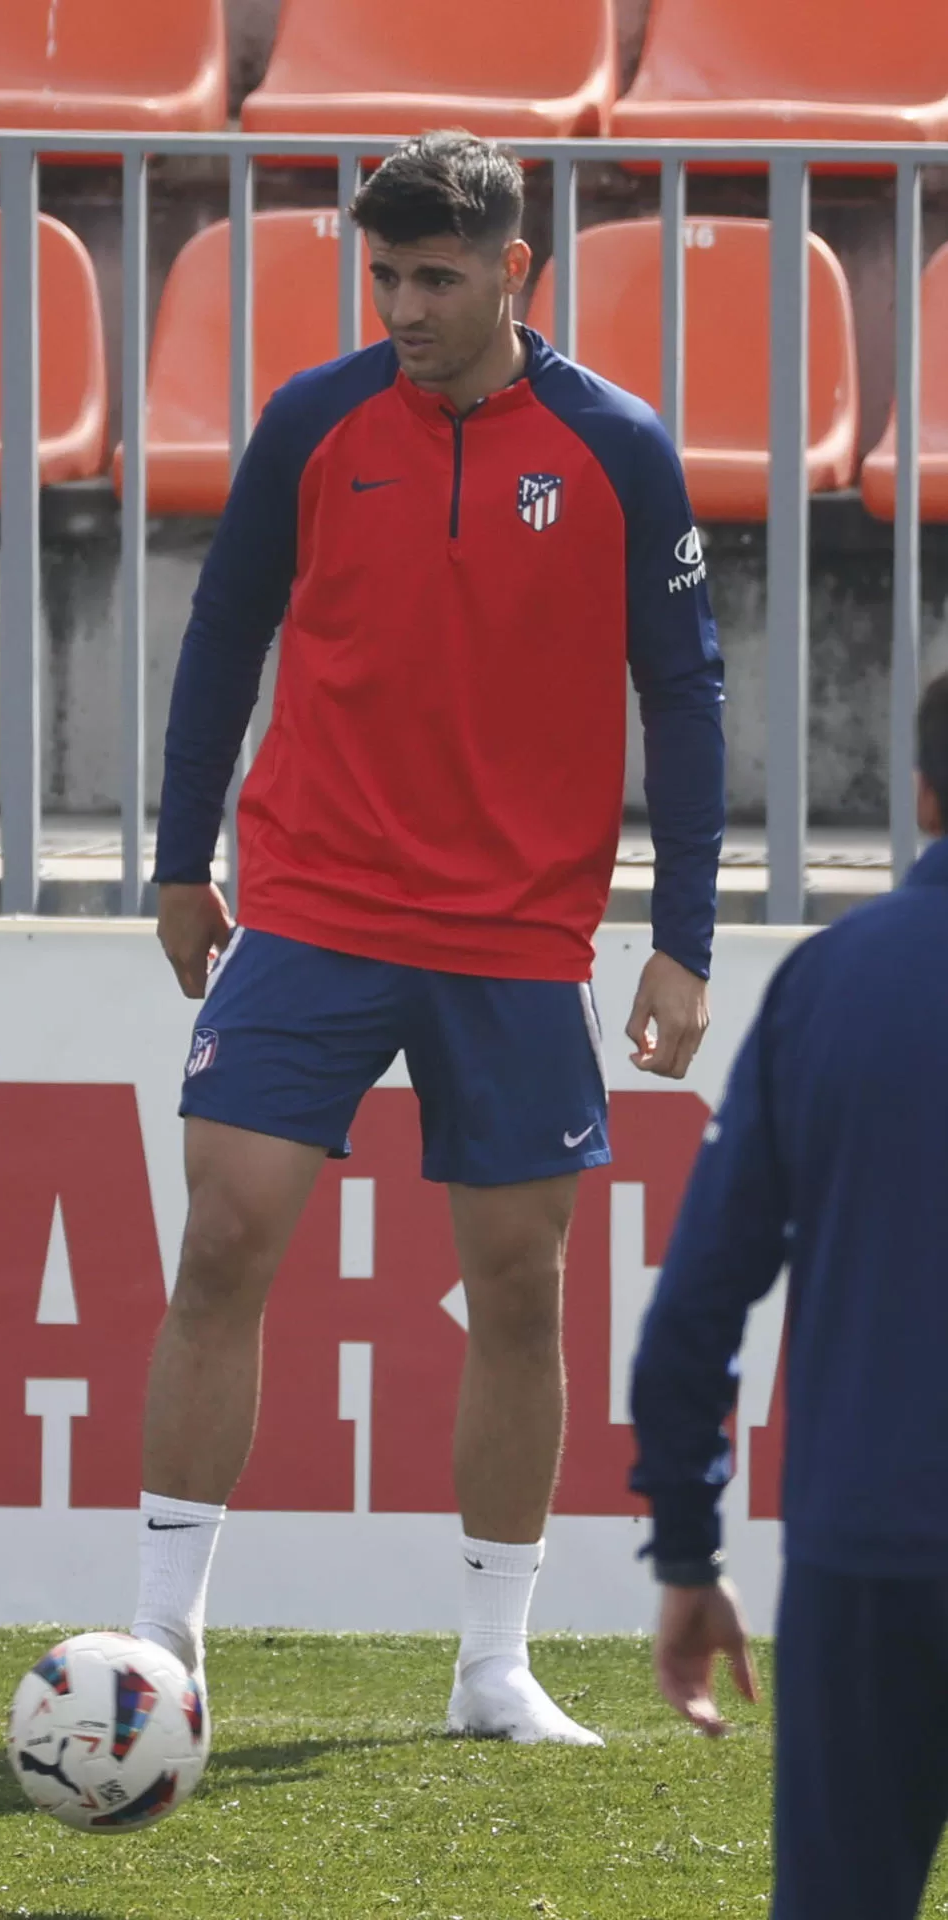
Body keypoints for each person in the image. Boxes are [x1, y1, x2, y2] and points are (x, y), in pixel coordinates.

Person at [135, 130, 725, 1746]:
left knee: (519, 1292)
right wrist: (182, 856)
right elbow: (224, 633)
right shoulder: (313, 422)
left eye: (437, 277)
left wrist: (686, 937)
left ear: (514, 274)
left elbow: (684, 693)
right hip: (314, 902)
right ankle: (162, 1649)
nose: (403, 304)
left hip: (520, 930)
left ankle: (491, 1667)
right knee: (220, 1244)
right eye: (384, 274)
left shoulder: (618, 449)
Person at [630, 672, 948, 1913]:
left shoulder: (828, 986)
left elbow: (694, 1312)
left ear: (922, 797)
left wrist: (690, 1551)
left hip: (863, 1562)